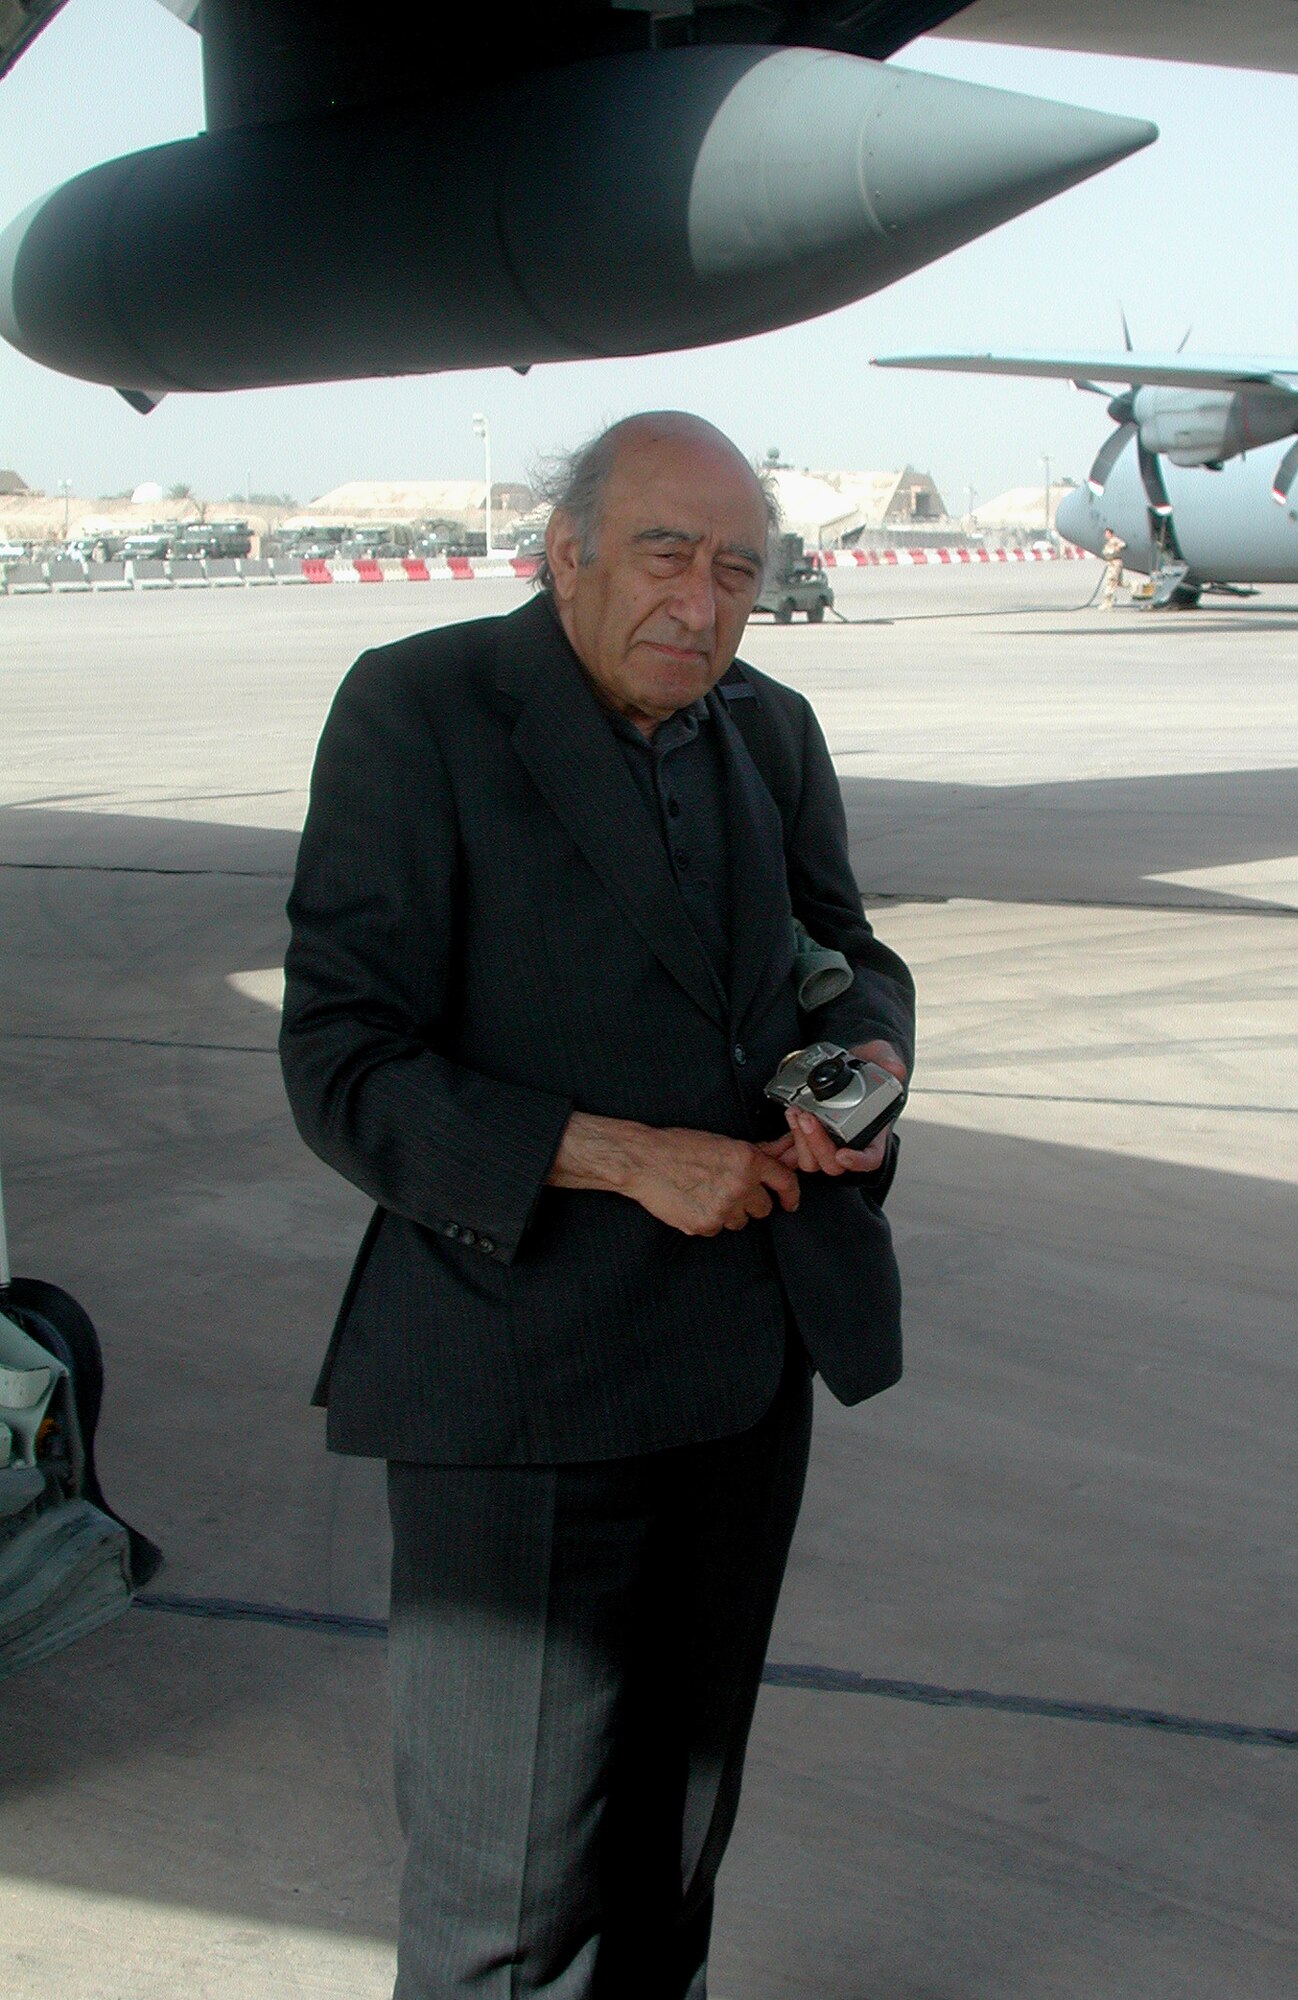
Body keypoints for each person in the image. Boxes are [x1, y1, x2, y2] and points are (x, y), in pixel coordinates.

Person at [280, 411, 916, 1999]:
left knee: (671, 1860)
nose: (700, 604)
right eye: (663, 554)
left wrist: (865, 1065)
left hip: (743, 1367)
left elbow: (844, 952)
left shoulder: (768, 729)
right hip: (522, 1380)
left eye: (736, 570)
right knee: (512, 1896)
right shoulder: (421, 710)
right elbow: (343, 1058)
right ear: (562, 551)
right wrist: (625, 1153)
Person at [1099, 526, 1128, 608]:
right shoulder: (1108, 542)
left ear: (1111, 534)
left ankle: (1107, 602)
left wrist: (1116, 548)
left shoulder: (1114, 540)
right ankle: (1135, 587)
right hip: (1111, 563)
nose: (1106, 535)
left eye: (1107, 533)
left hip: (1115, 563)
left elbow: (1123, 544)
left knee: (1111, 582)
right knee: (1119, 583)